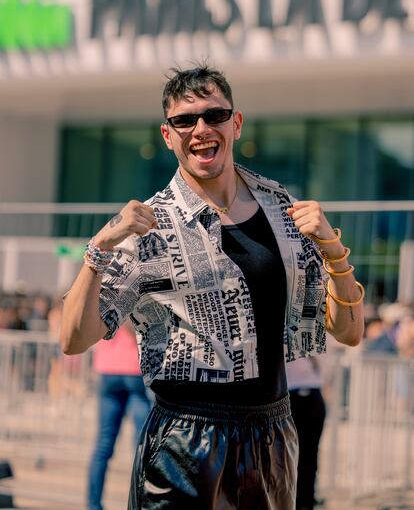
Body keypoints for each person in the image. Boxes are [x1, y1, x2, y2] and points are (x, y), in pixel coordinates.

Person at [60, 64, 365, 510]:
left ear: (235, 123)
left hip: (273, 435)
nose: (200, 129)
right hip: (186, 442)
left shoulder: (282, 207)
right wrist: (101, 244)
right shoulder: (148, 225)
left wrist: (333, 248)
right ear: (168, 136)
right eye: (185, 121)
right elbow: (73, 339)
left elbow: (349, 332)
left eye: (214, 115)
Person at [87, 321, 153, 510]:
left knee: (103, 445)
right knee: (141, 449)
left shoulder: (104, 291)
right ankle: (141, 504)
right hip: (134, 369)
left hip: (107, 368)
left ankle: (93, 505)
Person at [287, 355, 327, 510]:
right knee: (309, 457)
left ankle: (301, 501)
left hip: (292, 394)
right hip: (312, 394)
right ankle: (305, 502)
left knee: (291, 458)